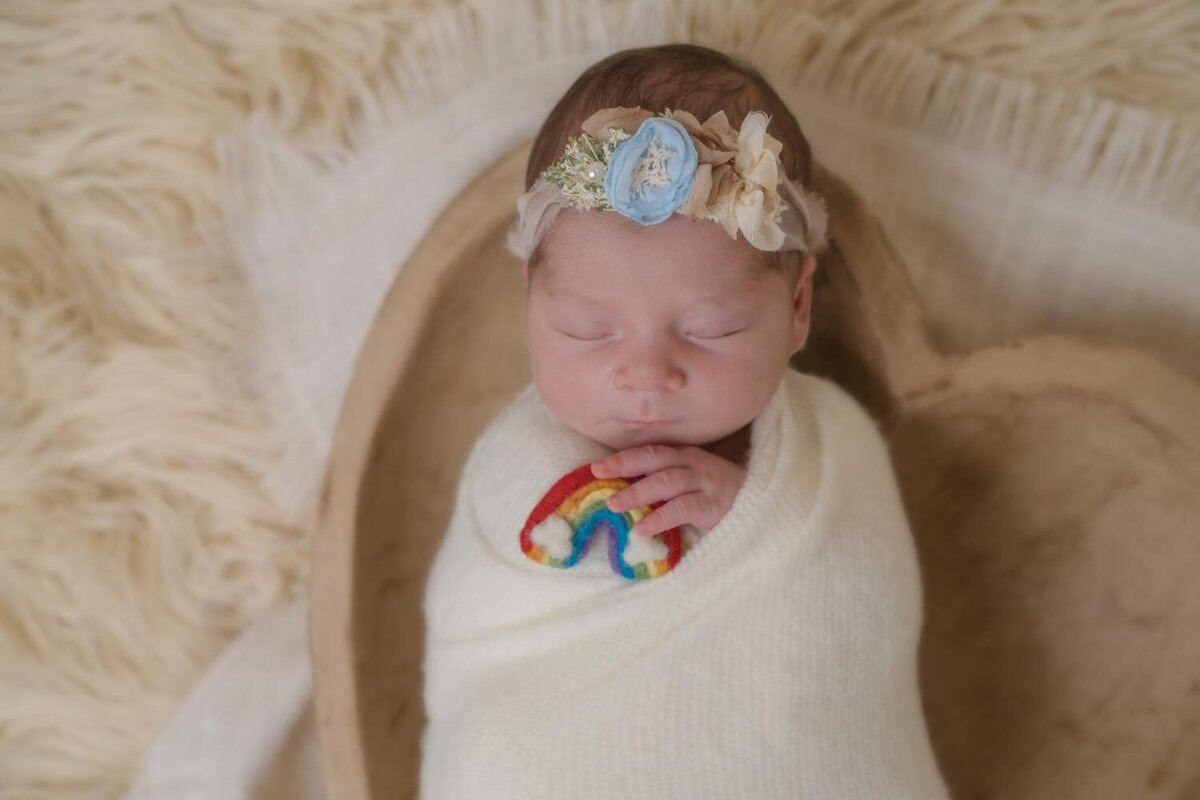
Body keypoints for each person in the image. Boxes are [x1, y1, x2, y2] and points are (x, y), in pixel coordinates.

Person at [420, 43, 951, 799]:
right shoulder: (513, 455)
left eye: (710, 331)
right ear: (529, 302)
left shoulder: (834, 448)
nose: (646, 374)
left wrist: (751, 514)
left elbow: (862, 599)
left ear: (799, 305)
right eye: (585, 329)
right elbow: (483, 630)